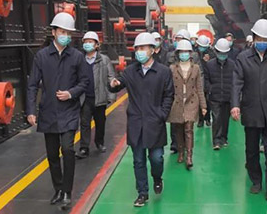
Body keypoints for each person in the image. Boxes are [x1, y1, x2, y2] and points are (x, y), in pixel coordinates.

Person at [26, 12, 90, 210]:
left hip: (69, 111)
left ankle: (67, 192)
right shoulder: (42, 56)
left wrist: (71, 93)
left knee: (68, 149)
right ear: (53, 32)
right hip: (49, 112)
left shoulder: (77, 57)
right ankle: (59, 189)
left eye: (68, 33)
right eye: (62, 32)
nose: (66, 36)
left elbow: (85, 82)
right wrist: (31, 111)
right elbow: (32, 85)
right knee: (52, 155)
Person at [107, 32, 174, 207]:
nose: (139, 51)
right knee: (138, 161)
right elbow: (118, 84)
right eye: (137, 48)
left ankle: (157, 177)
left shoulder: (163, 72)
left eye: (143, 48)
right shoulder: (131, 71)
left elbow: (169, 95)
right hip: (136, 123)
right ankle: (142, 193)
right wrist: (113, 84)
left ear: (153, 50)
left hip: (155, 123)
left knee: (157, 158)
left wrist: (162, 114)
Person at [231, 19, 267, 203]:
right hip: (251, 111)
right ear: (254, 37)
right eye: (260, 38)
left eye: (266, 39)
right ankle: (256, 180)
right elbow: (237, 83)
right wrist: (235, 105)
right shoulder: (243, 58)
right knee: (251, 151)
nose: (263, 42)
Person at [76, 31, 117, 159]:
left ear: (97, 45)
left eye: (90, 42)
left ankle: (99, 142)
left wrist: (111, 96)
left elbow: (111, 77)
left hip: (100, 97)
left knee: (100, 123)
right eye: (85, 42)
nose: (87, 44)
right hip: (85, 98)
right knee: (84, 123)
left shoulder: (104, 60)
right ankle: (84, 147)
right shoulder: (80, 60)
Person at [168, 40, 207, 169]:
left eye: (186, 51)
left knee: (189, 128)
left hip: (191, 101)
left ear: (190, 53)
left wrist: (203, 106)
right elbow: (168, 88)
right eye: (181, 51)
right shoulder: (172, 68)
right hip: (177, 102)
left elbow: (199, 88)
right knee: (178, 129)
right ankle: (181, 152)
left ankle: (189, 156)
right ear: (178, 53)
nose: (184, 54)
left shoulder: (195, 68)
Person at [204, 38, 235, 150]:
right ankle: (216, 140)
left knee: (225, 119)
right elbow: (206, 79)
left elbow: (235, 81)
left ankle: (224, 138)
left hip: (227, 96)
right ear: (216, 52)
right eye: (220, 53)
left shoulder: (232, 65)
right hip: (214, 97)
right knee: (216, 118)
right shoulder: (210, 65)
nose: (222, 55)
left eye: (224, 53)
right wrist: (210, 89)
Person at [195, 35, 213, 127]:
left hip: (208, 79)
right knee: (199, 100)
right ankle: (200, 120)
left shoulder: (211, 53)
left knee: (207, 100)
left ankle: (207, 119)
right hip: (198, 79)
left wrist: (208, 61)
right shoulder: (195, 54)